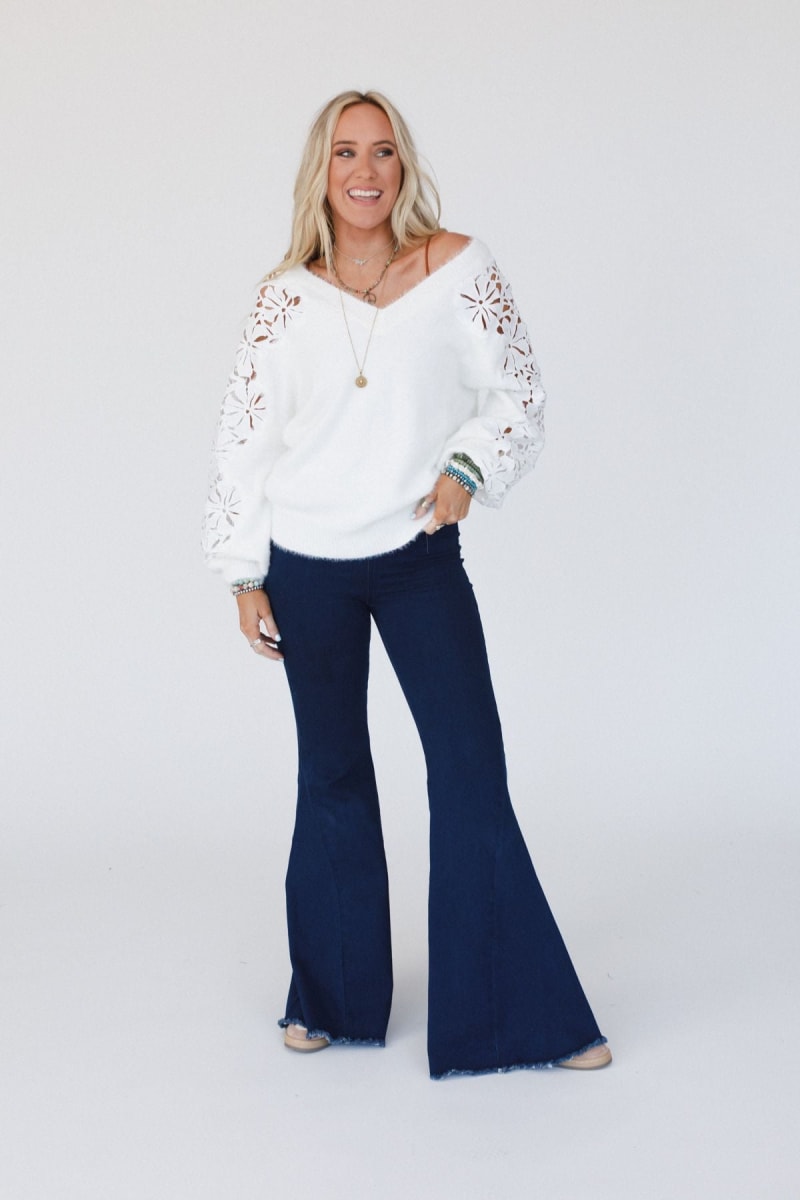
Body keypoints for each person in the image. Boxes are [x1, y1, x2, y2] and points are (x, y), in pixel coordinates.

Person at [202, 90, 611, 1078]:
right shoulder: (282, 300)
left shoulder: (457, 266)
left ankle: (518, 1020)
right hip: (306, 565)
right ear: (321, 172)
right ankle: (333, 1003)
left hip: (418, 556)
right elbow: (245, 440)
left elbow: (519, 390)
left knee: (468, 771)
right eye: (345, 152)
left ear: (403, 166)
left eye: (382, 151)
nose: (365, 170)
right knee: (332, 776)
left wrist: (467, 468)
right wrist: (243, 572)